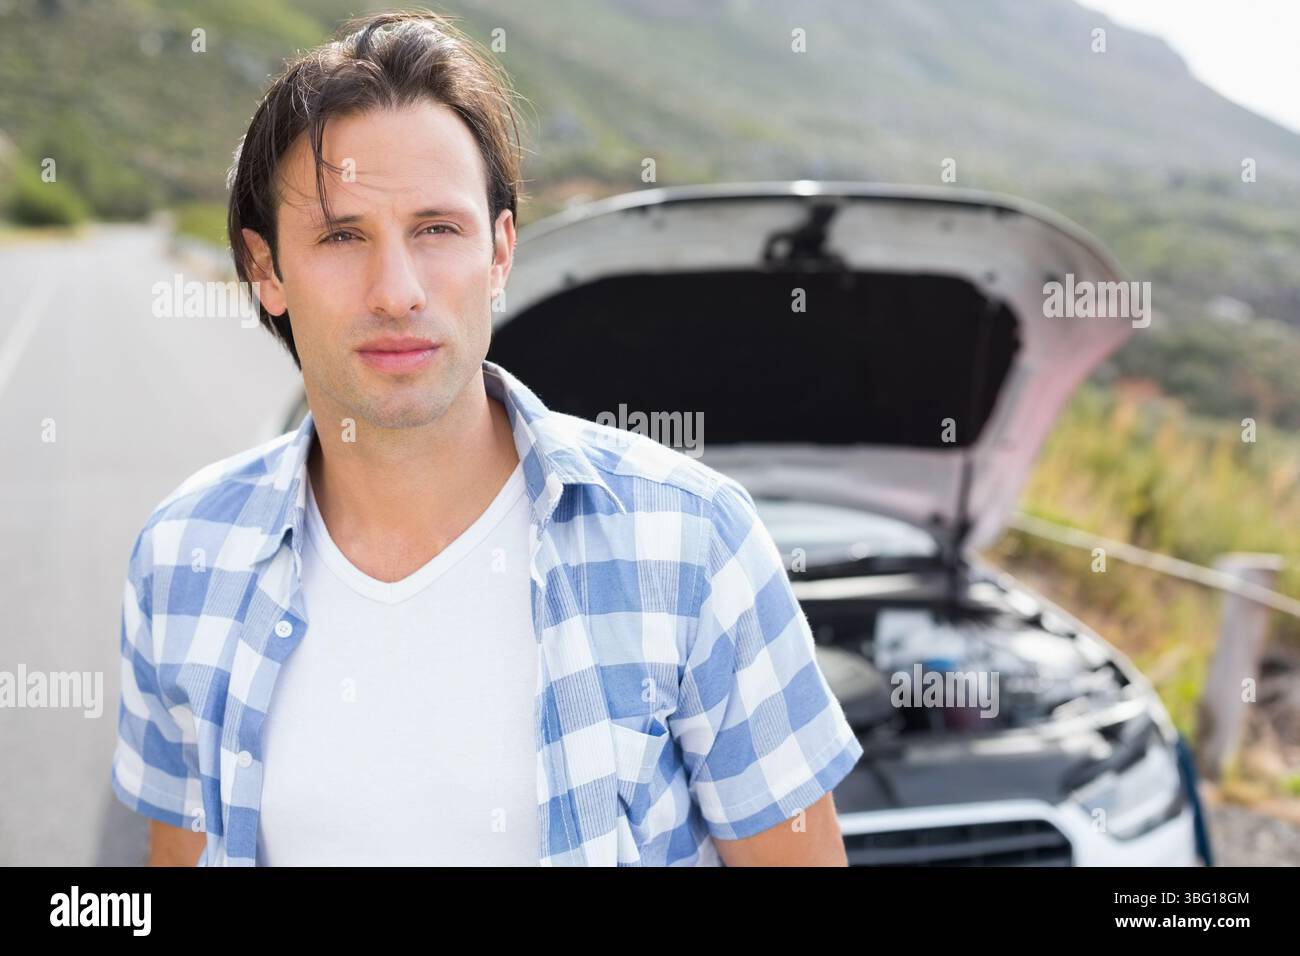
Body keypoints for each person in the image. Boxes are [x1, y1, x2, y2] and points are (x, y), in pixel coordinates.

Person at [111, 9, 862, 867]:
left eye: (438, 229)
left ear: (501, 252)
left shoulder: (694, 544)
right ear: (266, 270)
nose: (396, 291)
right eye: (341, 235)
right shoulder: (182, 559)